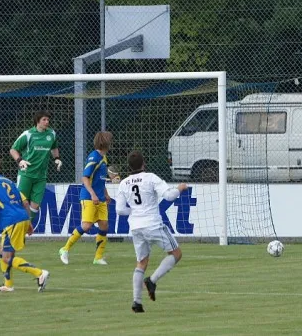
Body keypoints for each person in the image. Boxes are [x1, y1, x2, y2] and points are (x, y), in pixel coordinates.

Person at [115, 150, 188, 313]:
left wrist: (134, 211)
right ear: (144, 163)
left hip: (136, 227)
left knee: (141, 262)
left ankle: (136, 302)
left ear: (129, 166)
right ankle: (152, 280)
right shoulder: (151, 178)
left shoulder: (124, 183)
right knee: (176, 253)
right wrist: (180, 188)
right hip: (153, 224)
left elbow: (119, 210)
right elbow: (169, 196)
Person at [0, 155, 50, 293]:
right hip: (21, 217)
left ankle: (39, 273)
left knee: (7, 257)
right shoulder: (8, 181)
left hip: (11, 221)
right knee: (2, 250)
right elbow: (25, 203)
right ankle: (8, 285)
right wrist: (28, 222)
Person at [59, 131, 114, 265]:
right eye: (110, 141)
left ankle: (98, 258)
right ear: (105, 143)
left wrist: (106, 194)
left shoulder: (104, 158)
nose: (111, 143)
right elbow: (85, 178)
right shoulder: (94, 157)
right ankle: (64, 249)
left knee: (104, 225)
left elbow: (100, 180)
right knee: (86, 225)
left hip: (100, 198)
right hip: (89, 197)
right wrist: (93, 194)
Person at [10, 110, 62, 220]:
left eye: (48, 120)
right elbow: (13, 150)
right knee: (21, 202)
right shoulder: (28, 134)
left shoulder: (51, 134)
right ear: (37, 121)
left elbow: (54, 147)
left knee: (35, 206)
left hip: (41, 176)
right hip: (26, 174)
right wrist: (20, 160)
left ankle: (27, 226)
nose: (47, 122)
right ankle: (14, 226)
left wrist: (57, 158)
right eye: (44, 120)